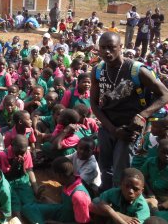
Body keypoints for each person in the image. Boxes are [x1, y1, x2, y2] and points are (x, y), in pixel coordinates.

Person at [90, 32, 168, 190]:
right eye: (103, 48)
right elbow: (94, 104)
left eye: (111, 47)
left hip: (129, 129)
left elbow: (164, 94)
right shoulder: (97, 71)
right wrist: (112, 129)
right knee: (105, 167)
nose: (107, 52)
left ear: (121, 47)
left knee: (121, 170)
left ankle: (119, 203)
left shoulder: (136, 70)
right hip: (108, 127)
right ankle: (107, 196)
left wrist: (143, 115)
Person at [22, 156, 91, 224]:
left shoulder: (79, 196)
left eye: (54, 175)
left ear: (59, 175)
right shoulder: (68, 183)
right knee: (27, 208)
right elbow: (67, 206)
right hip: (63, 211)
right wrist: (49, 202)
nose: (53, 178)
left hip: (69, 219)